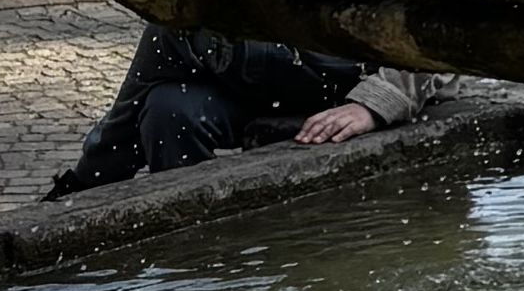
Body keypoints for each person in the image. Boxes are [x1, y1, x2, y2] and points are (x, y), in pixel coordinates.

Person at [48, 24, 443, 194]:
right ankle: (193, 250)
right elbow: (127, 110)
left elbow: (434, 38)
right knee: (167, 107)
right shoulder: (186, 17)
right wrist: (81, 194)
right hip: (250, 87)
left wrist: (375, 104)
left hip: (348, 82)